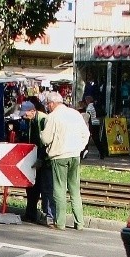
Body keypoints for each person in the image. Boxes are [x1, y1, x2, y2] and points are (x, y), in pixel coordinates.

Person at [40, 92, 90, 231]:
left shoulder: (52, 117)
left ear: (51, 103)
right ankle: (79, 223)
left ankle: (60, 222)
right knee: (75, 189)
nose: (47, 107)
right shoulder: (75, 114)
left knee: (60, 189)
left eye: (47, 104)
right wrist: (79, 148)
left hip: (59, 156)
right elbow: (85, 134)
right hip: (75, 155)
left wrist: (41, 134)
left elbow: (46, 139)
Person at [19, 100, 56, 225]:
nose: (24, 116)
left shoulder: (43, 120)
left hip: (44, 160)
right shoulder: (31, 121)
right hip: (35, 158)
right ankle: (30, 213)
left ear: (33, 111)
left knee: (45, 189)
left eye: (26, 113)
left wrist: (41, 159)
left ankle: (47, 215)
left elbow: (46, 142)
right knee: (32, 188)